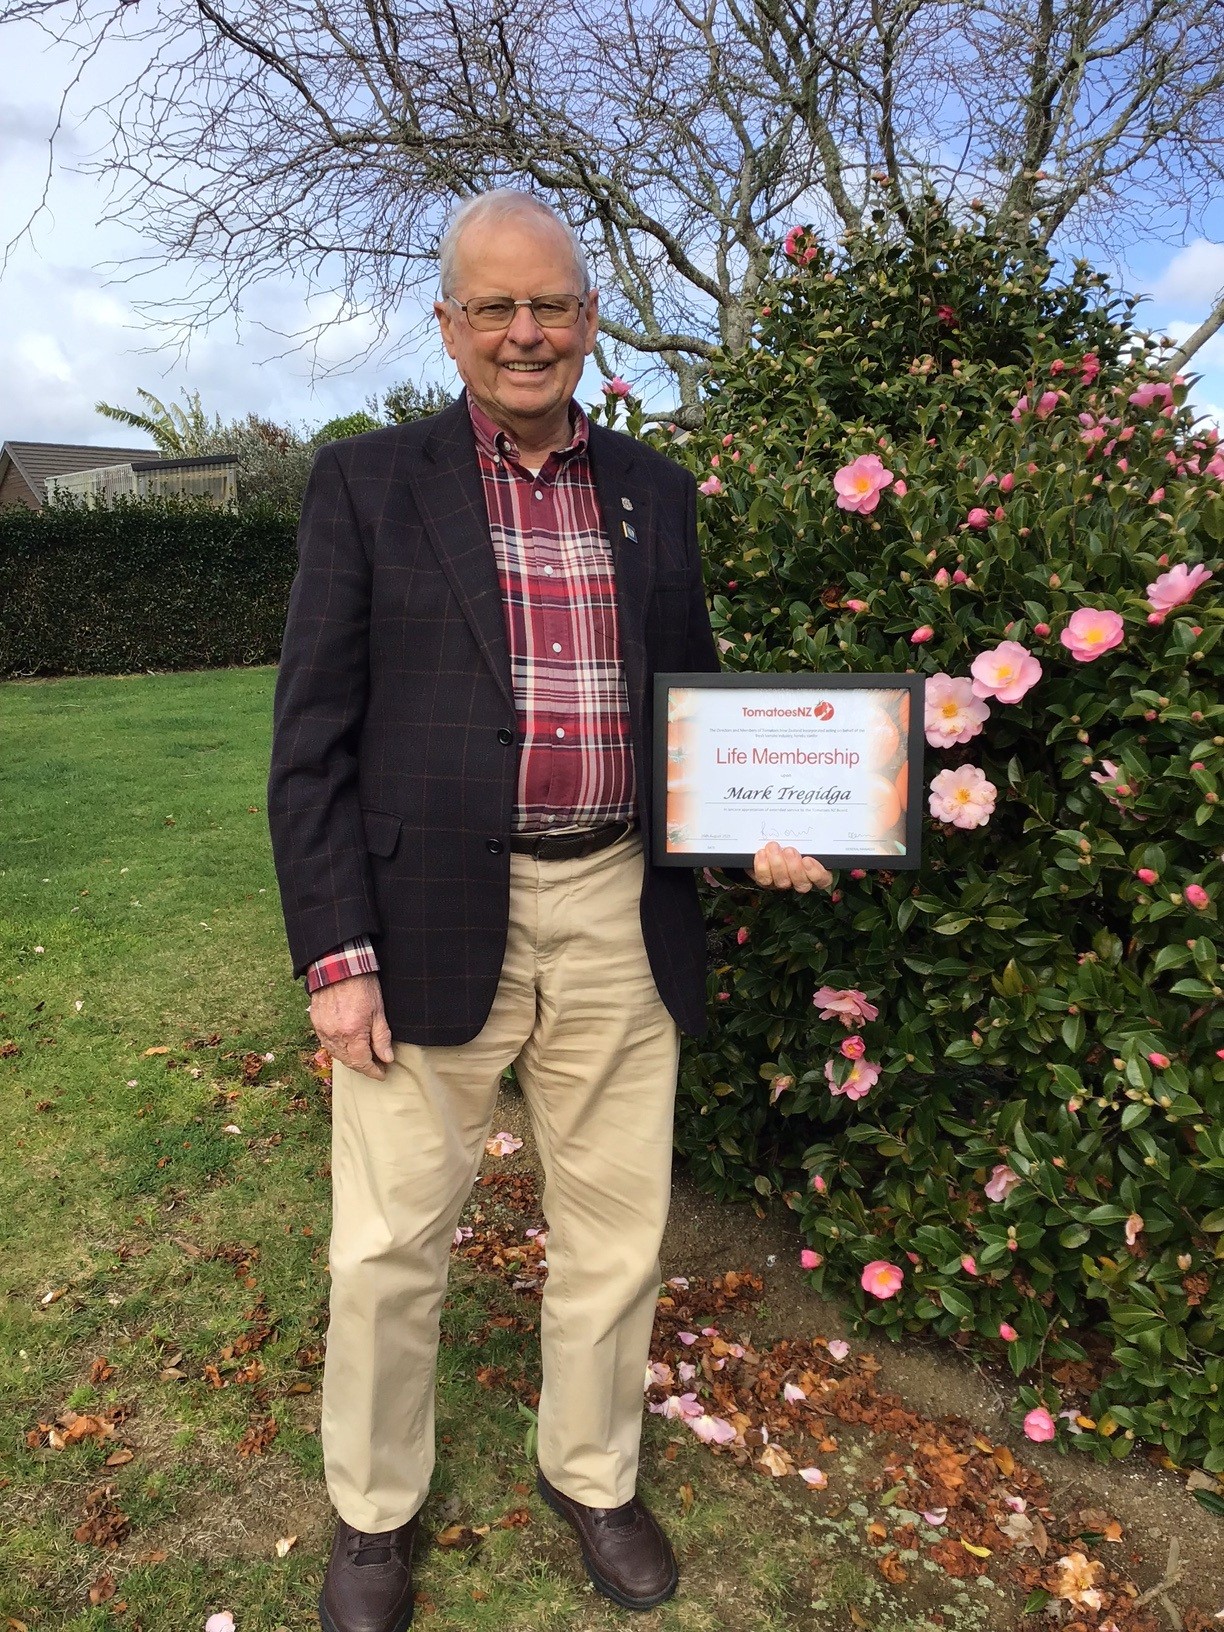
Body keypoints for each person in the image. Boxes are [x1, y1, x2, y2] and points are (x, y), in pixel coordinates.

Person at [267, 189, 831, 1632]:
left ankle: (593, 1472)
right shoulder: (366, 483)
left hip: (618, 904)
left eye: (553, 305)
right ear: (449, 324)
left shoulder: (654, 488)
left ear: (588, 318)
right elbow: (310, 741)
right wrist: (336, 956)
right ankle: (374, 1512)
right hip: (422, 916)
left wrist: (757, 825)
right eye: (496, 307)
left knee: (616, 1230)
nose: (527, 333)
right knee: (386, 1247)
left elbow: (691, 707)